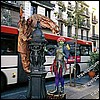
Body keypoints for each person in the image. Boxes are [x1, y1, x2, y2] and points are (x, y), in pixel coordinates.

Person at [17, 5, 33, 73]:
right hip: (22, 44)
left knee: (27, 57)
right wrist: (21, 12)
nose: (29, 22)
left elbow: (31, 35)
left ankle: (28, 67)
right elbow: (21, 34)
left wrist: (30, 38)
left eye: (30, 21)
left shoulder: (30, 29)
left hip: (27, 45)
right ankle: (26, 68)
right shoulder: (22, 25)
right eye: (28, 21)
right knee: (24, 57)